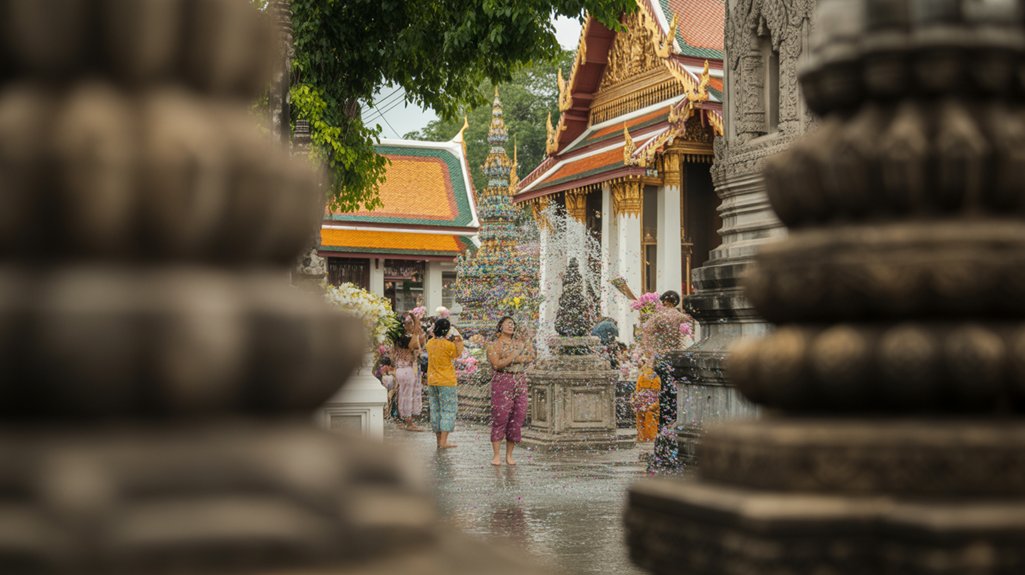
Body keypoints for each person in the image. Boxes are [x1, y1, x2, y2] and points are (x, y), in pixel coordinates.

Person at [640, 290, 692, 470]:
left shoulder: (657, 317)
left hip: (661, 358)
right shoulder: (679, 316)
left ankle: (664, 429)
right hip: (675, 358)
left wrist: (650, 354)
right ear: (676, 301)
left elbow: (645, 335)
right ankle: (674, 424)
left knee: (664, 395)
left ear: (663, 301)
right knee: (674, 393)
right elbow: (690, 324)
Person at [486, 316, 535, 466]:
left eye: (513, 324)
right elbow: (497, 364)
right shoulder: (493, 345)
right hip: (503, 380)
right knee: (500, 417)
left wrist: (512, 357)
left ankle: (509, 454)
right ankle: (496, 455)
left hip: (519, 380)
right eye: (507, 324)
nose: (511, 326)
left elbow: (531, 356)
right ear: (500, 326)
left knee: (518, 417)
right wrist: (515, 356)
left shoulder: (519, 343)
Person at [425, 318, 463, 449]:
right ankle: (444, 441)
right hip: (446, 381)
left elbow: (433, 338)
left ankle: (438, 440)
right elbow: (458, 353)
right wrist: (458, 338)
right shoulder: (449, 345)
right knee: (447, 410)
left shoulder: (430, 343)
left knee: (435, 410)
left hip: (432, 381)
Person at [394, 313, 425, 431]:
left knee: (402, 396)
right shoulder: (405, 338)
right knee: (407, 397)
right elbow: (415, 346)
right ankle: (409, 423)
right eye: (408, 323)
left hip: (401, 370)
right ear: (404, 325)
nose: (411, 326)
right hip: (406, 370)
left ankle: (404, 420)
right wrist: (416, 324)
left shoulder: (399, 337)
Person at [632, 358, 660, 442]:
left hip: (642, 399)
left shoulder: (642, 375)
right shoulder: (656, 376)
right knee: (649, 418)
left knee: (640, 418)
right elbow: (657, 389)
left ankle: (642, 437)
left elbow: (637, 388)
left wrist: (637, 398)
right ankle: (650, 437)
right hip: (651, 399)